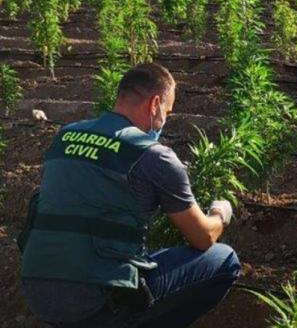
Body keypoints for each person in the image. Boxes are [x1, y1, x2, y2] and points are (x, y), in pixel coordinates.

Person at [20, 62, 240, 328]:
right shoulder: (153, 155)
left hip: (37, 291)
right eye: (167, 113)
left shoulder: (65, 136)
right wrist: (220, 213)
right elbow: (203, 237)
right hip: (93, 303)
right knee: (224, 259)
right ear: (155, 104)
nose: (164, 122)